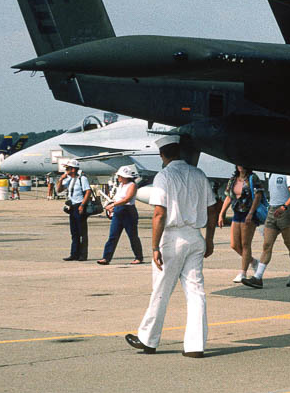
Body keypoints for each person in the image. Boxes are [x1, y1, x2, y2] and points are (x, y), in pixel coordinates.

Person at [126, 137, 218, 357]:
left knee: (161, 290)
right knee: (196, 292)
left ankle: (148, 339)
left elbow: (159, 213)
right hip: (195, 237)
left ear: (162, 155)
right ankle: (195, 346)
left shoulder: (164, 176)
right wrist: (210, 239)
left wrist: (155, 246)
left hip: (172, 237)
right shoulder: (199, 174)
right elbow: (213, 209)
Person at [242, 172, 290, 289]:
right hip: (272, 210)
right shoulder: (270, 174)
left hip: (284, 211)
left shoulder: (287, 174)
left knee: (288, 242)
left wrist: (284, 207)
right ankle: (258, 277)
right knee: (267, 245)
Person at [218, 165, 263, 283]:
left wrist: (251, 213)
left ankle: (243, 273)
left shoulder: (253, 178)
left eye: (243, 164)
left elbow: (258, 196)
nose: (240, 166)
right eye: (238, 164)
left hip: (249, 214)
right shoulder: (233, 179)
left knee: (245, 244)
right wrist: (221, 213)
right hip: (237, 213)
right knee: (234, 244)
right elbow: (228, 197)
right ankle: (253, 262)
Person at [98, 165, 143, 265]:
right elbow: (118, 198)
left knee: (132, 236)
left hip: (128, 211)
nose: (118, 178)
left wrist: (113, 205)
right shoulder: (121, 185)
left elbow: (127, 199)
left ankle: (139, 257)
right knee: (113, 235)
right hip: (118, 210)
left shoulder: (132, 185)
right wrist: (113, 206)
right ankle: (106, 257)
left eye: (120, 176)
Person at [56, 159, 90, 260]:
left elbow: (87, 191)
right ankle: (74, 253)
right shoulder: (69, 180)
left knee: (82, 232)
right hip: (72, 207)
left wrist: (82, 205)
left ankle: (83, 255)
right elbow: (59, 190)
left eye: (68, 168)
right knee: (74, 232)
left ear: (73, 169)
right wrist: (61, 180)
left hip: (79, 205)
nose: (66, 170)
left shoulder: (82, 179)